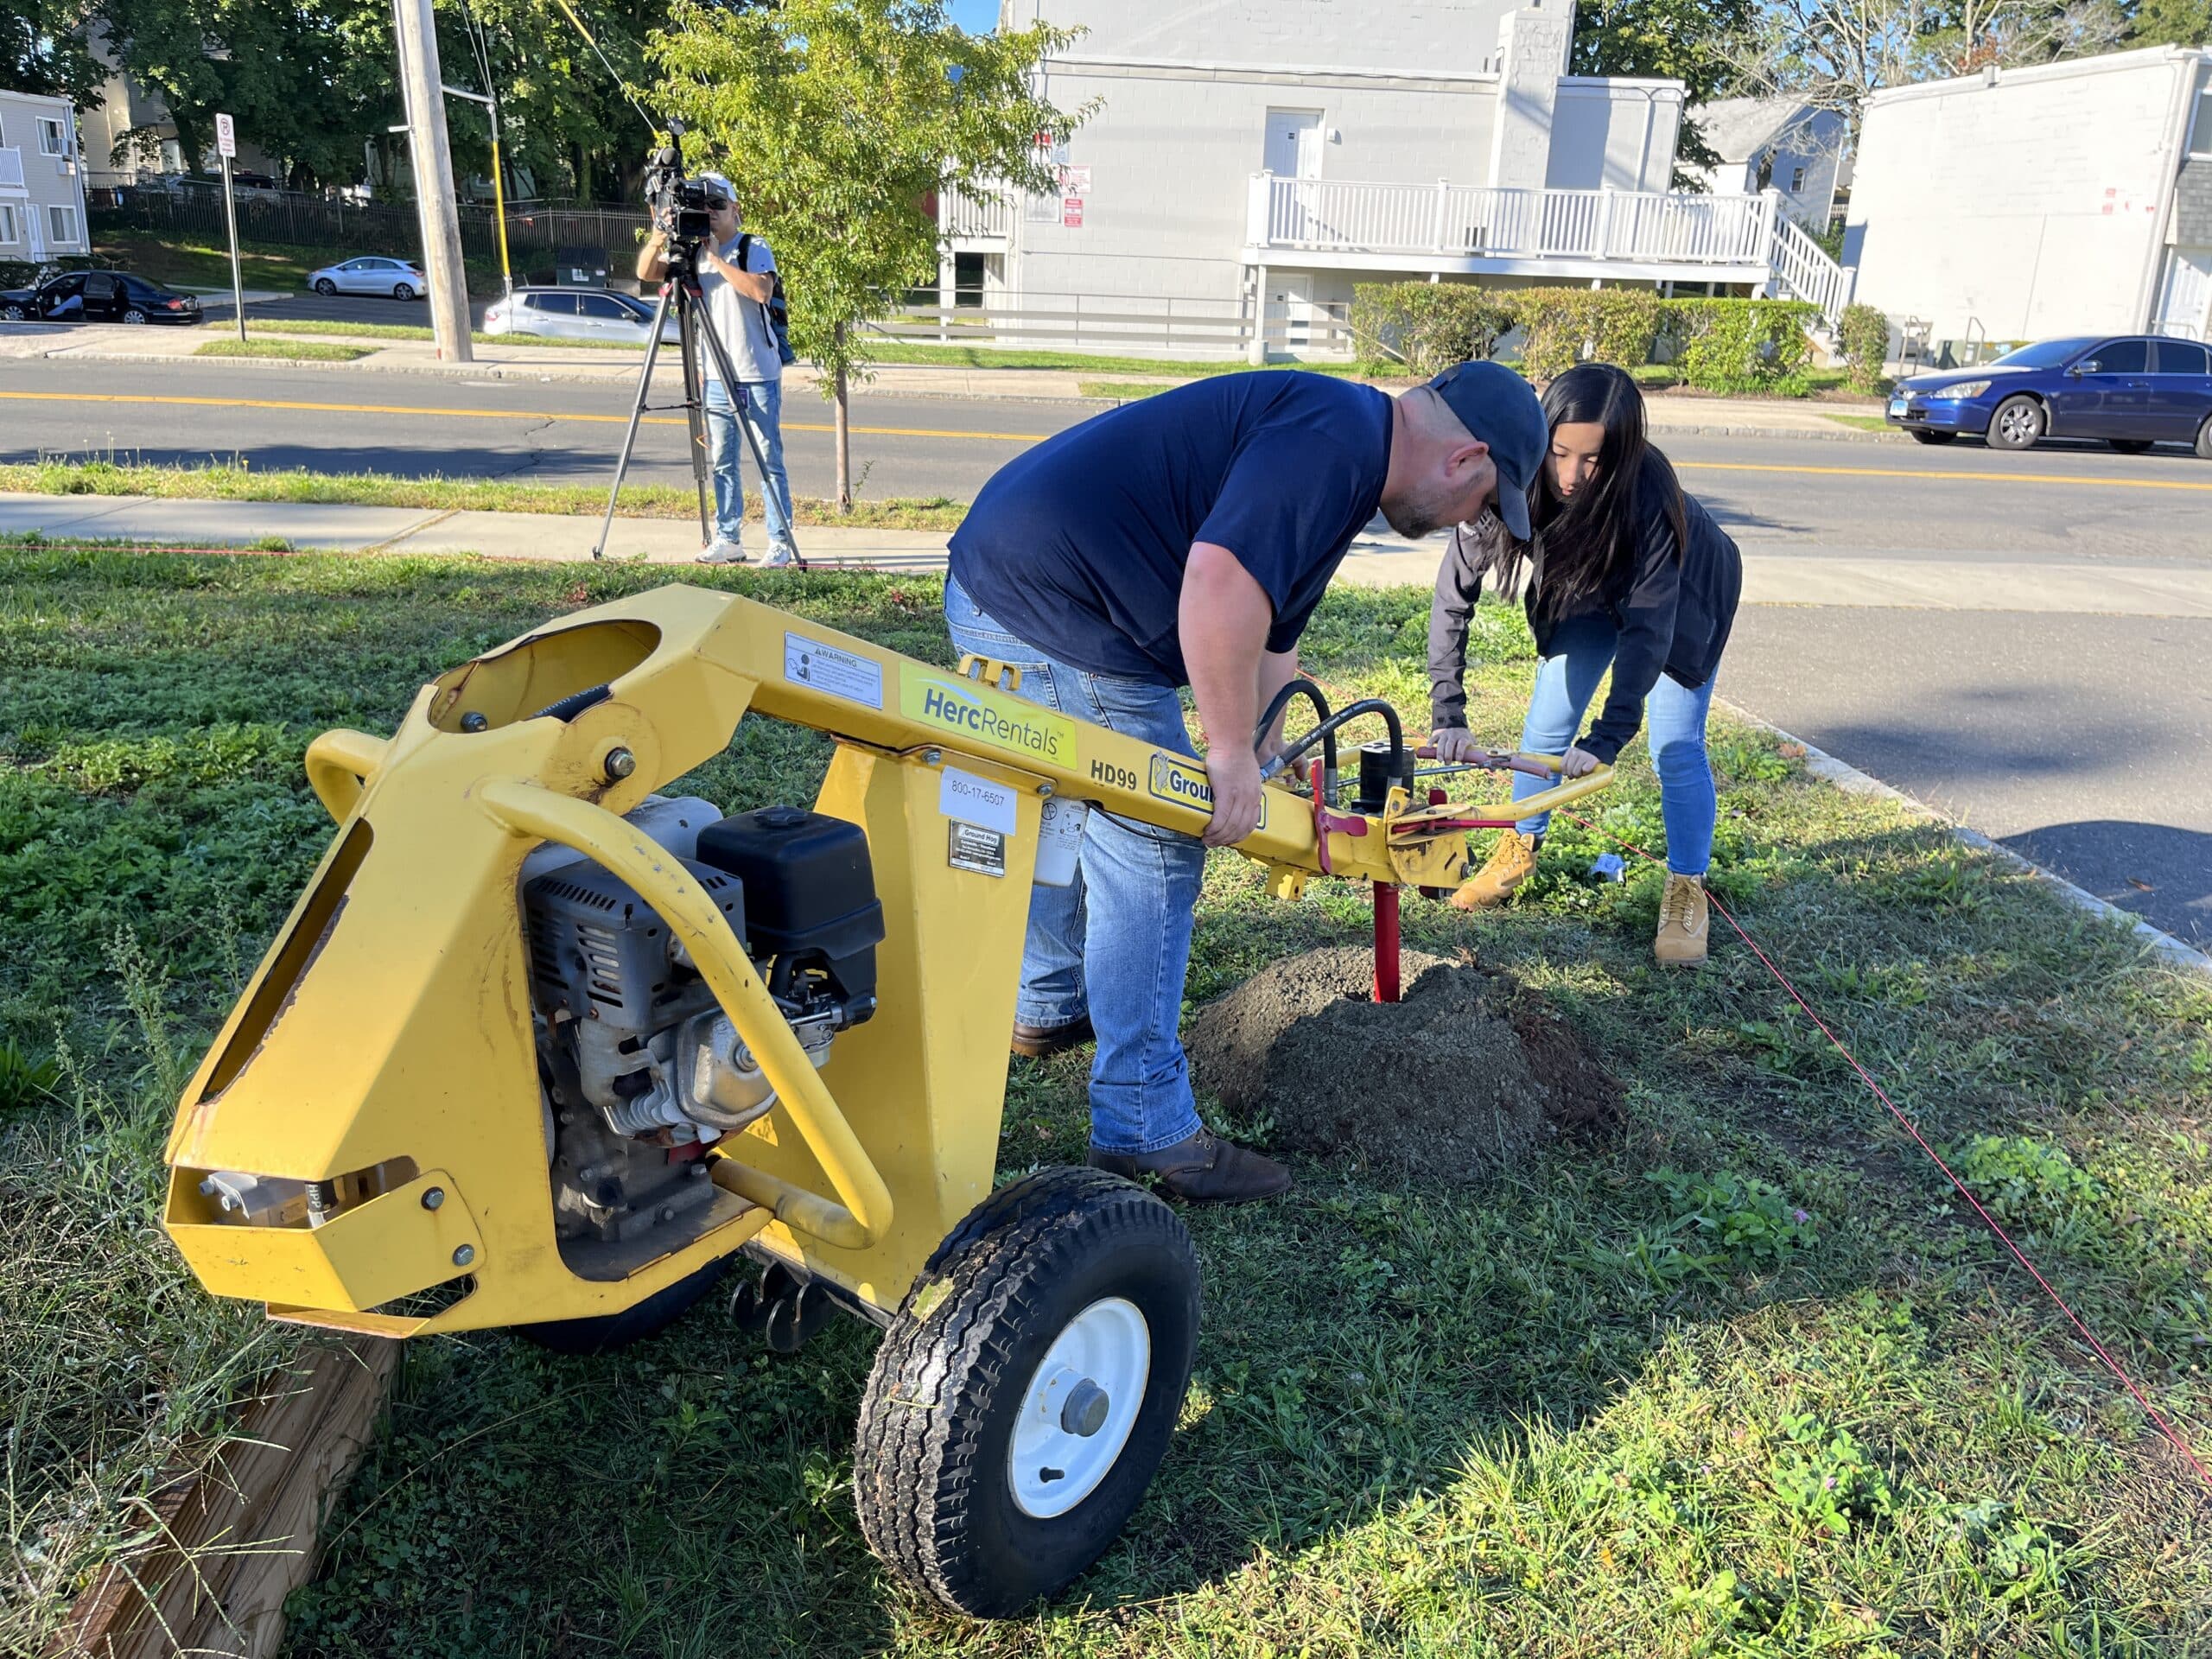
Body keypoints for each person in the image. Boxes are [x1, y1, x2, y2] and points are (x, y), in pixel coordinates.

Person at [947, 363, 1548, 1202]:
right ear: (1465, 458)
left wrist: (1277, 742)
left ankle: (1046, 1003)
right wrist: (1227, 752)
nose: (1470, 523)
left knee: (1050, 795)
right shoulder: (1334, 445)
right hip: (1060, 609)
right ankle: (1145, 1128)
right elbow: (1219, 583)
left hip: (1001, 579)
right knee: (1156, 836)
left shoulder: (1342, 440)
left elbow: (1269, 633)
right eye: (1483, 503)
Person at [1427, 360, 1743, 965]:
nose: (1572, 476)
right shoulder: (1514, 470)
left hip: (1683, 597)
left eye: (1593, 460)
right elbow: (1453, 598)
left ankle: (1686, 888)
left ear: (1622, 455)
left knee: (1674, 746)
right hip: (1589, 583)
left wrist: (1609, 737)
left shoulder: (1649, 493)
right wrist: (1448, 710)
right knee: (1548, 721)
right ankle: (1518, 846)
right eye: (1561, 453)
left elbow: (1651, 625)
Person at [635, 172, 798, 568]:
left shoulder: (751, 246)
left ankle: (780, 539)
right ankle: (729, 537)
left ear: (735, 209)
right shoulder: (691, 252)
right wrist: (660, 234)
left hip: (757, 372)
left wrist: (713, 260)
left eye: (717, 205)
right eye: (704, 206)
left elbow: (760, 290)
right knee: (723, 460)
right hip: (716, 375)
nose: (710, 213)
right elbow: (646, 273)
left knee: (767, 459)